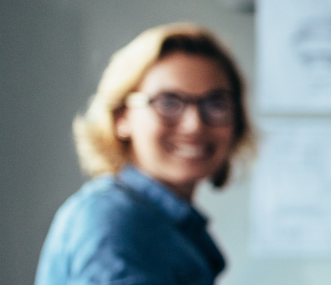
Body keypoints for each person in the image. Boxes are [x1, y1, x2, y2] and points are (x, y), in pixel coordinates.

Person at [36, 23, 255, 285]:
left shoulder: (165, 225)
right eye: (169, 103)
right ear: (121, 117)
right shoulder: (112, 221)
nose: (195, 124)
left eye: (216, 104)